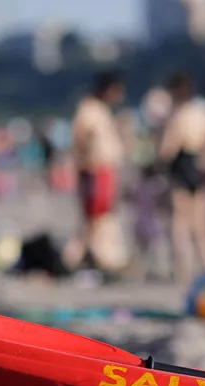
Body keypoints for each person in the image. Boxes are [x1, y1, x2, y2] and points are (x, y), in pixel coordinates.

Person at [158, 72, 205, 287]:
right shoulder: (202, 113)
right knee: (201, 225)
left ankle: (182, 270)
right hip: (198, 166)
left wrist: (157, 166)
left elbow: (167, 150)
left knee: (180, 224)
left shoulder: (177, 116)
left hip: (182, 166)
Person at [70, 71, 129, 273]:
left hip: (105, 170)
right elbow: (80, 141)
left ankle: (94, 258)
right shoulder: (89, 110)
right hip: (96, 170)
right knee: (97, 218)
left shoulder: (101, 110)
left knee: (101, 217)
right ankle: (91, 258)